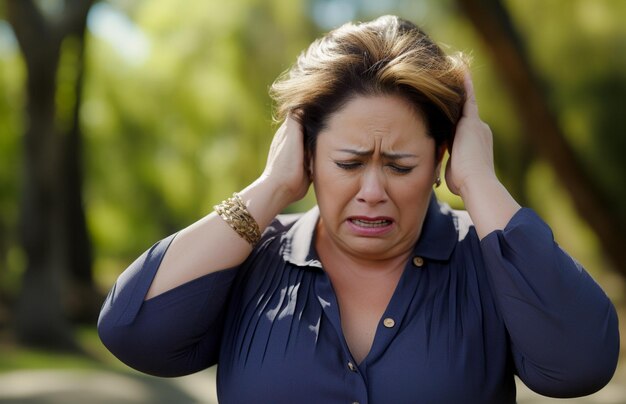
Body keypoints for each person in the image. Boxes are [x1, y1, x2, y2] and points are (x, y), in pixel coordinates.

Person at [98, 15, 619, 403]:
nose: (373, 190)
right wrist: (272, 186)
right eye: (349, 163)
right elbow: (133, 333)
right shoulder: (248, 261)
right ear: (307, 154)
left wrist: (481, 180)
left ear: (441, 158)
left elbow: (581, 363)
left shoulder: (486, 261)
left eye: (400, 165)